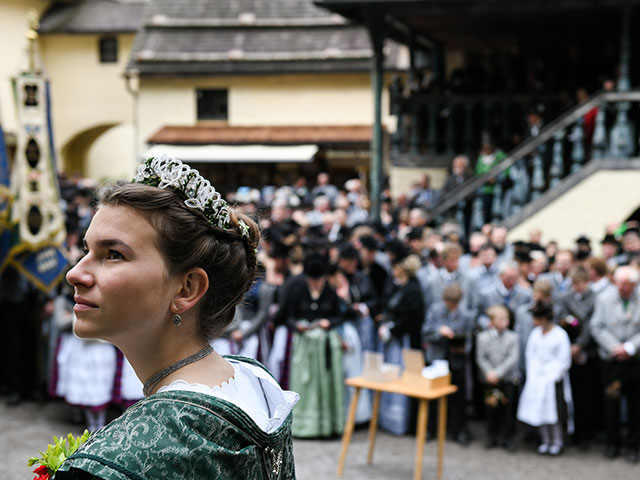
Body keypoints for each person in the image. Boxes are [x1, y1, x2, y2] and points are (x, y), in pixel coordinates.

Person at [56, 156, 298, 479]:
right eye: (86, 251)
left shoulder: (115, 464)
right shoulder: (255, 384)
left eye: (113, 254)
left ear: (187, 288)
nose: (75, 274)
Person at [590, 265, 640, 463]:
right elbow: (597, 326)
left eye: (626, 285)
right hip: (611, 360)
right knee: (611, 403)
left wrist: (629, 348)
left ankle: (633, 445)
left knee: (636, 406)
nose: (621, 288)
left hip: (635, 361)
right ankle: (612, 443)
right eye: (618, 284)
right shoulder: (604, 298)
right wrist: (614, 347)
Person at [517, 302, 572, 457]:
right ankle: (545, 440)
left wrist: (551, 375)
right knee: (539, 411)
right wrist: (534, 373)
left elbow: (563, 360)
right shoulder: (535, 333)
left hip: (553, 380)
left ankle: (557, 441)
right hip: (537, 378)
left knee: (553, 412)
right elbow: (530, 355)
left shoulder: (560, 335)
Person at [476, 305, 520, 452]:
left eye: (506, 319)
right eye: (501, 319)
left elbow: (512, 358)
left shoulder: (513, 337)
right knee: (491, 409)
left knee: (507, 410)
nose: (504, 322)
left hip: (507, 379)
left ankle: (507, 438)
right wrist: (490, 373)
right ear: (492, 321)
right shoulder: (482, 338)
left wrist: (498, 373)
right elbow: (481, 358)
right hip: (490, 380)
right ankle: (491, 436)